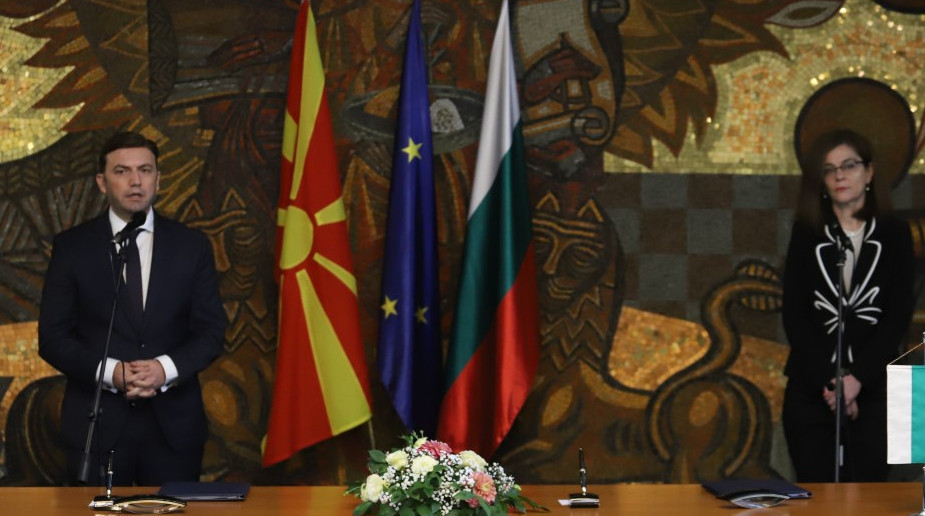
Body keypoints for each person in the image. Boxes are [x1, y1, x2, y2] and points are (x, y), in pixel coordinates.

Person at [38, 131, 226, 486]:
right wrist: (112, 373)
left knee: (173, 511)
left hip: (174, 429)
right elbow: (53, 338)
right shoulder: (72, 247)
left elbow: (212, 331)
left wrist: (163, 369)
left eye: (145, 170)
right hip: (97, 427)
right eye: (122, 171)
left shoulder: (192, 245)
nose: (135, 181)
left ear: (158, 179)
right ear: (102, 182)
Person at [782, 129, 915, 482]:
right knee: (816, 495)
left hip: (877, 386)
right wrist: (833, 385)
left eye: (849, 165)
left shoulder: (896, 234)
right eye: (829, 169)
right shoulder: (805, 233)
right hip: (813, 387)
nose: (839, 175)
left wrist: (858, 380)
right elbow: (794, 314)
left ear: (869, 172)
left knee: (872, 496)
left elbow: (897, 315)